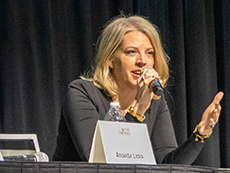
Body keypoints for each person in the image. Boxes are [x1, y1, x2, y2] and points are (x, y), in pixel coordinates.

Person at [53, 14, 222, 163]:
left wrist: (200, 135)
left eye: (149, 53)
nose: (142, 61)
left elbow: (168, 168)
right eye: (132, 52)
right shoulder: (81, 93)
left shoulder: (154, 100)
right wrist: (138, 111)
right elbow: (102, 162)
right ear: (110, 59)